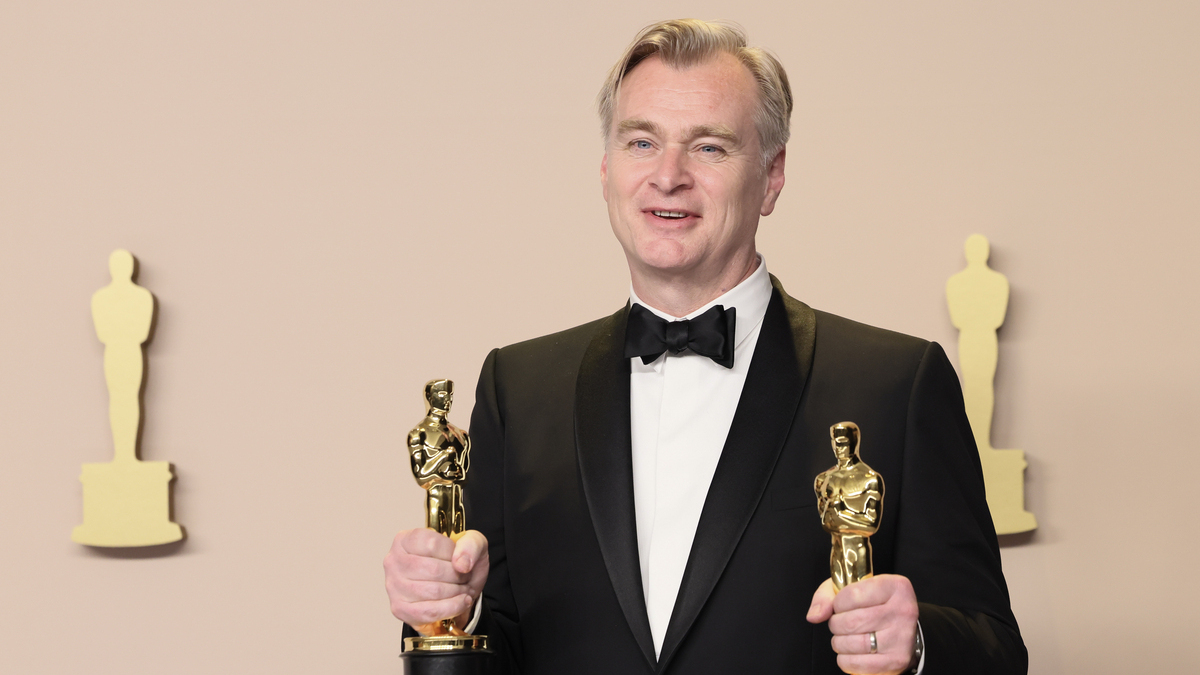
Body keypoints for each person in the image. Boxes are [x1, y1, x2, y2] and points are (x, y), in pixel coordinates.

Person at [385, 19, 1026, 675]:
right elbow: (505, 650)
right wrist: (448, 618)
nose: (668, 176)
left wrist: (915, 645)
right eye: (642, 141)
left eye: (710, 148)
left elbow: (997, 650)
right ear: (606, 170)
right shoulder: (516, 390)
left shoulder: (898, 384)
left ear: (772, 175)